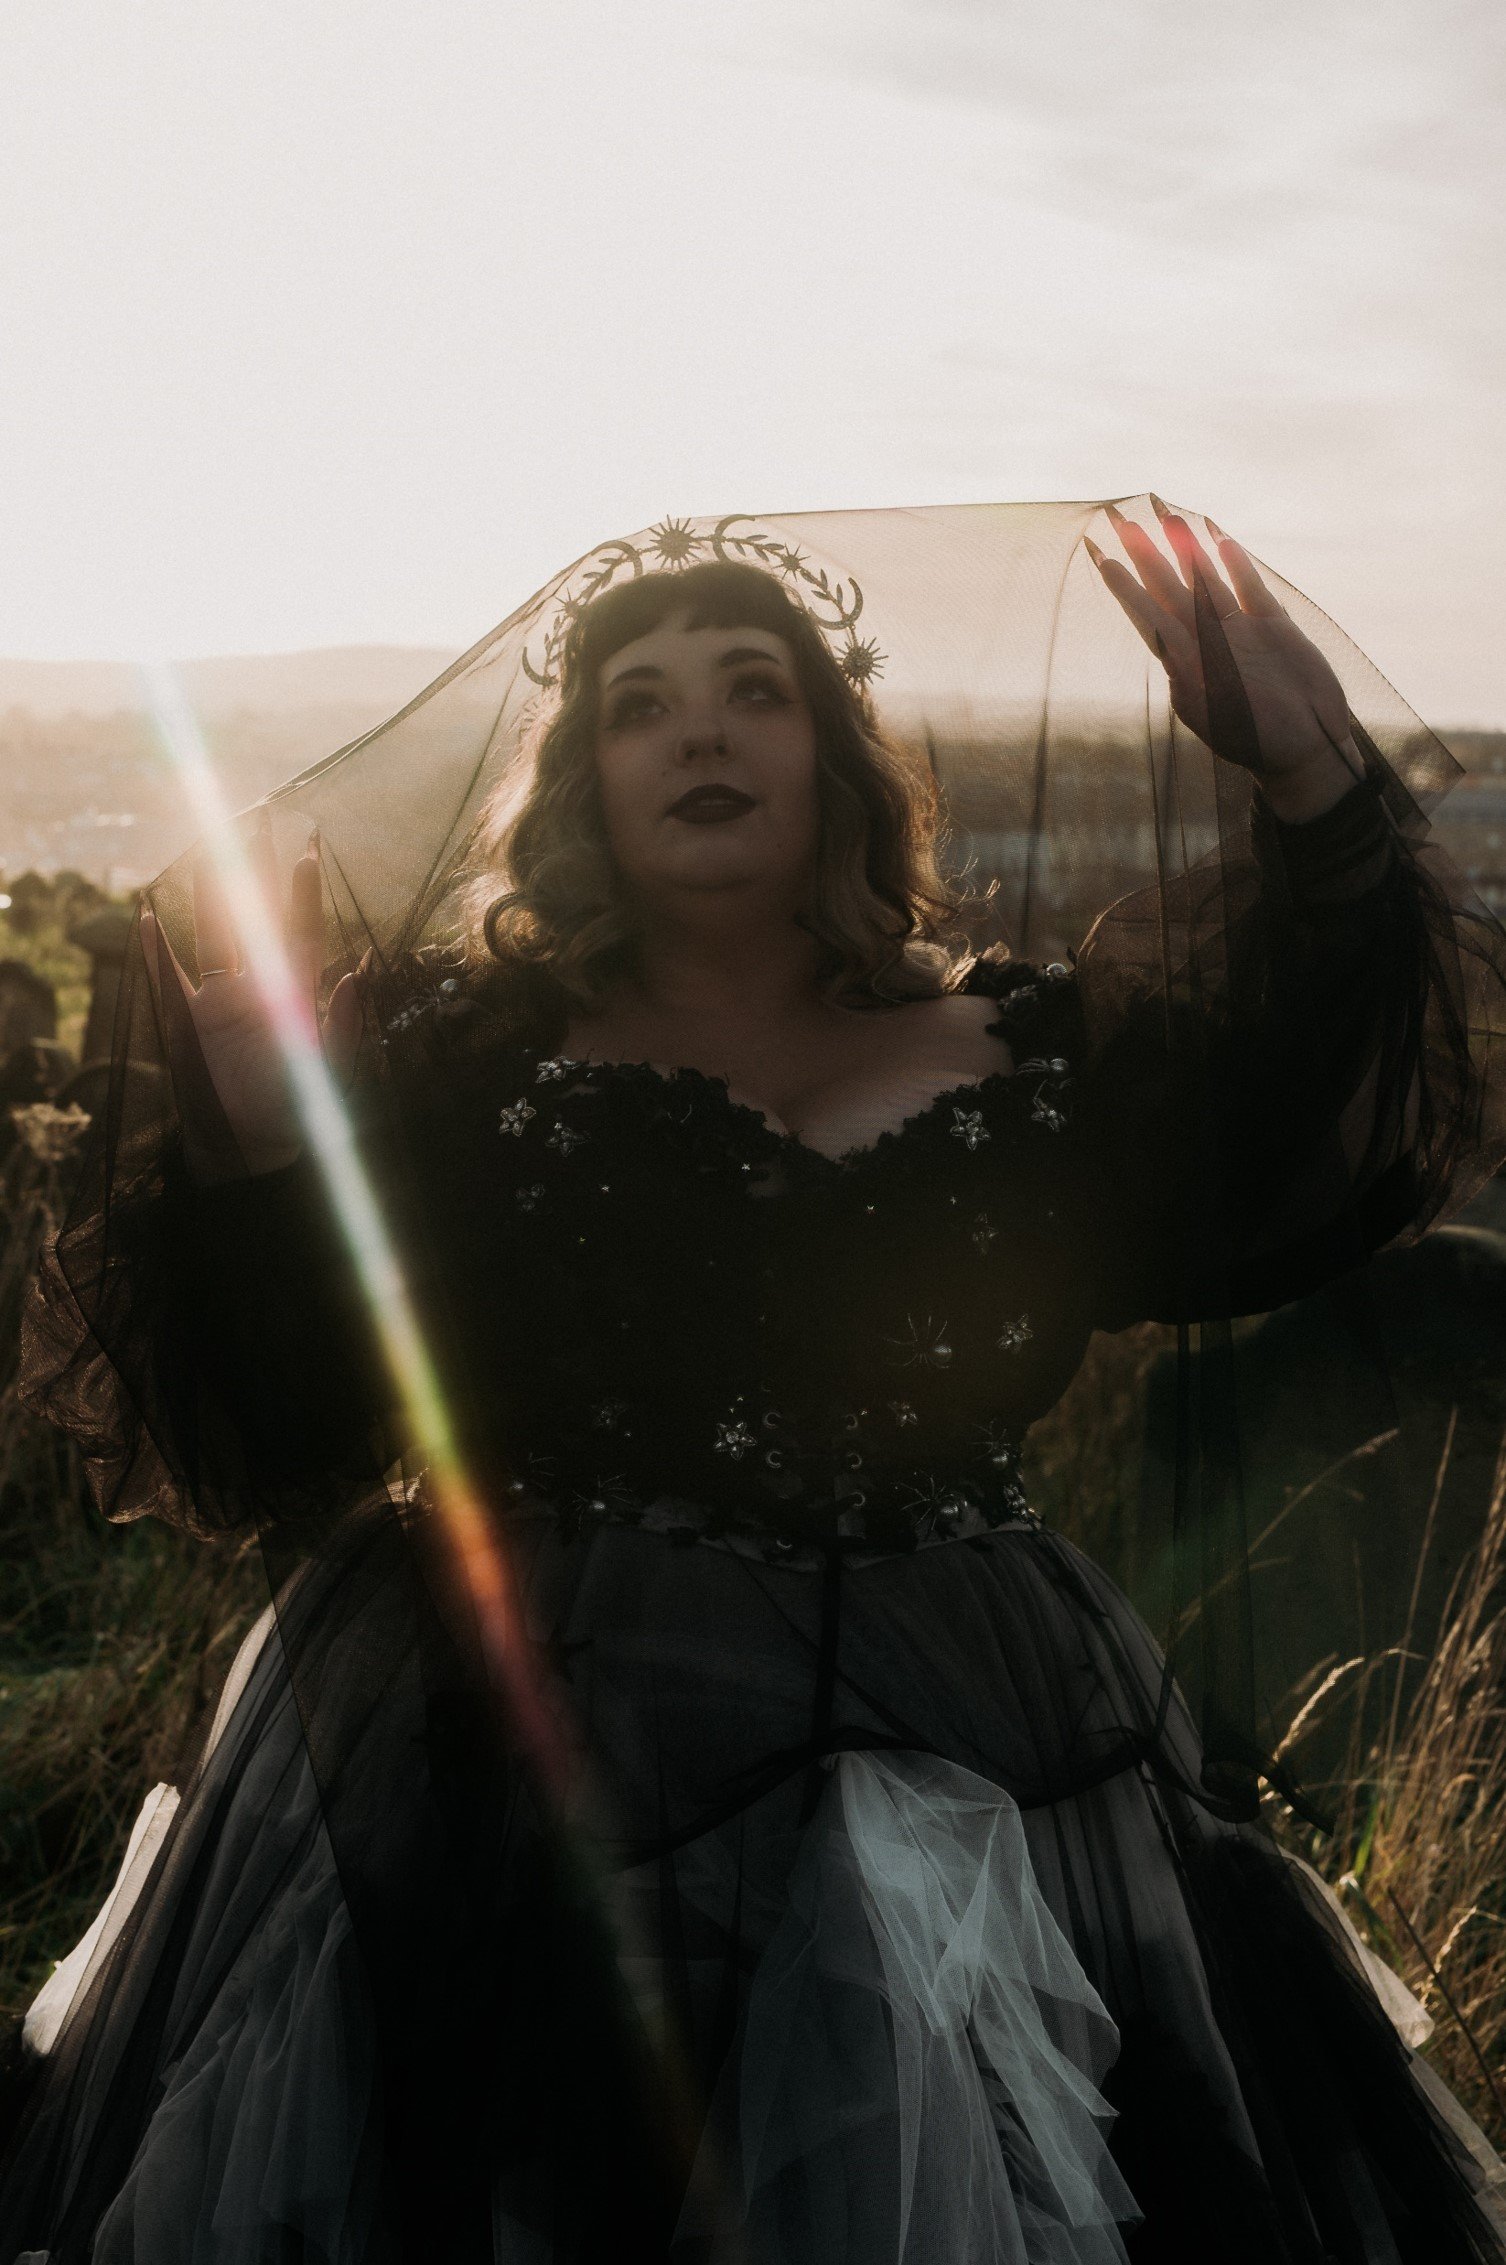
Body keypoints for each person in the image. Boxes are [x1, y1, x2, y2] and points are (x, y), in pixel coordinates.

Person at [4, 502, 1506, 2263]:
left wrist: (1315, 776)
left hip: (964, 1709)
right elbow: (293, 1406)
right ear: (578, 778)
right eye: (639, 702)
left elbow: (1311, 1114)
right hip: (512, 1723)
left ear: (838, 755)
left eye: (752, 689)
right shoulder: (447, 1056)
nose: (700, 728)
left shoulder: (1032, 1047)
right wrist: (266, 1147)